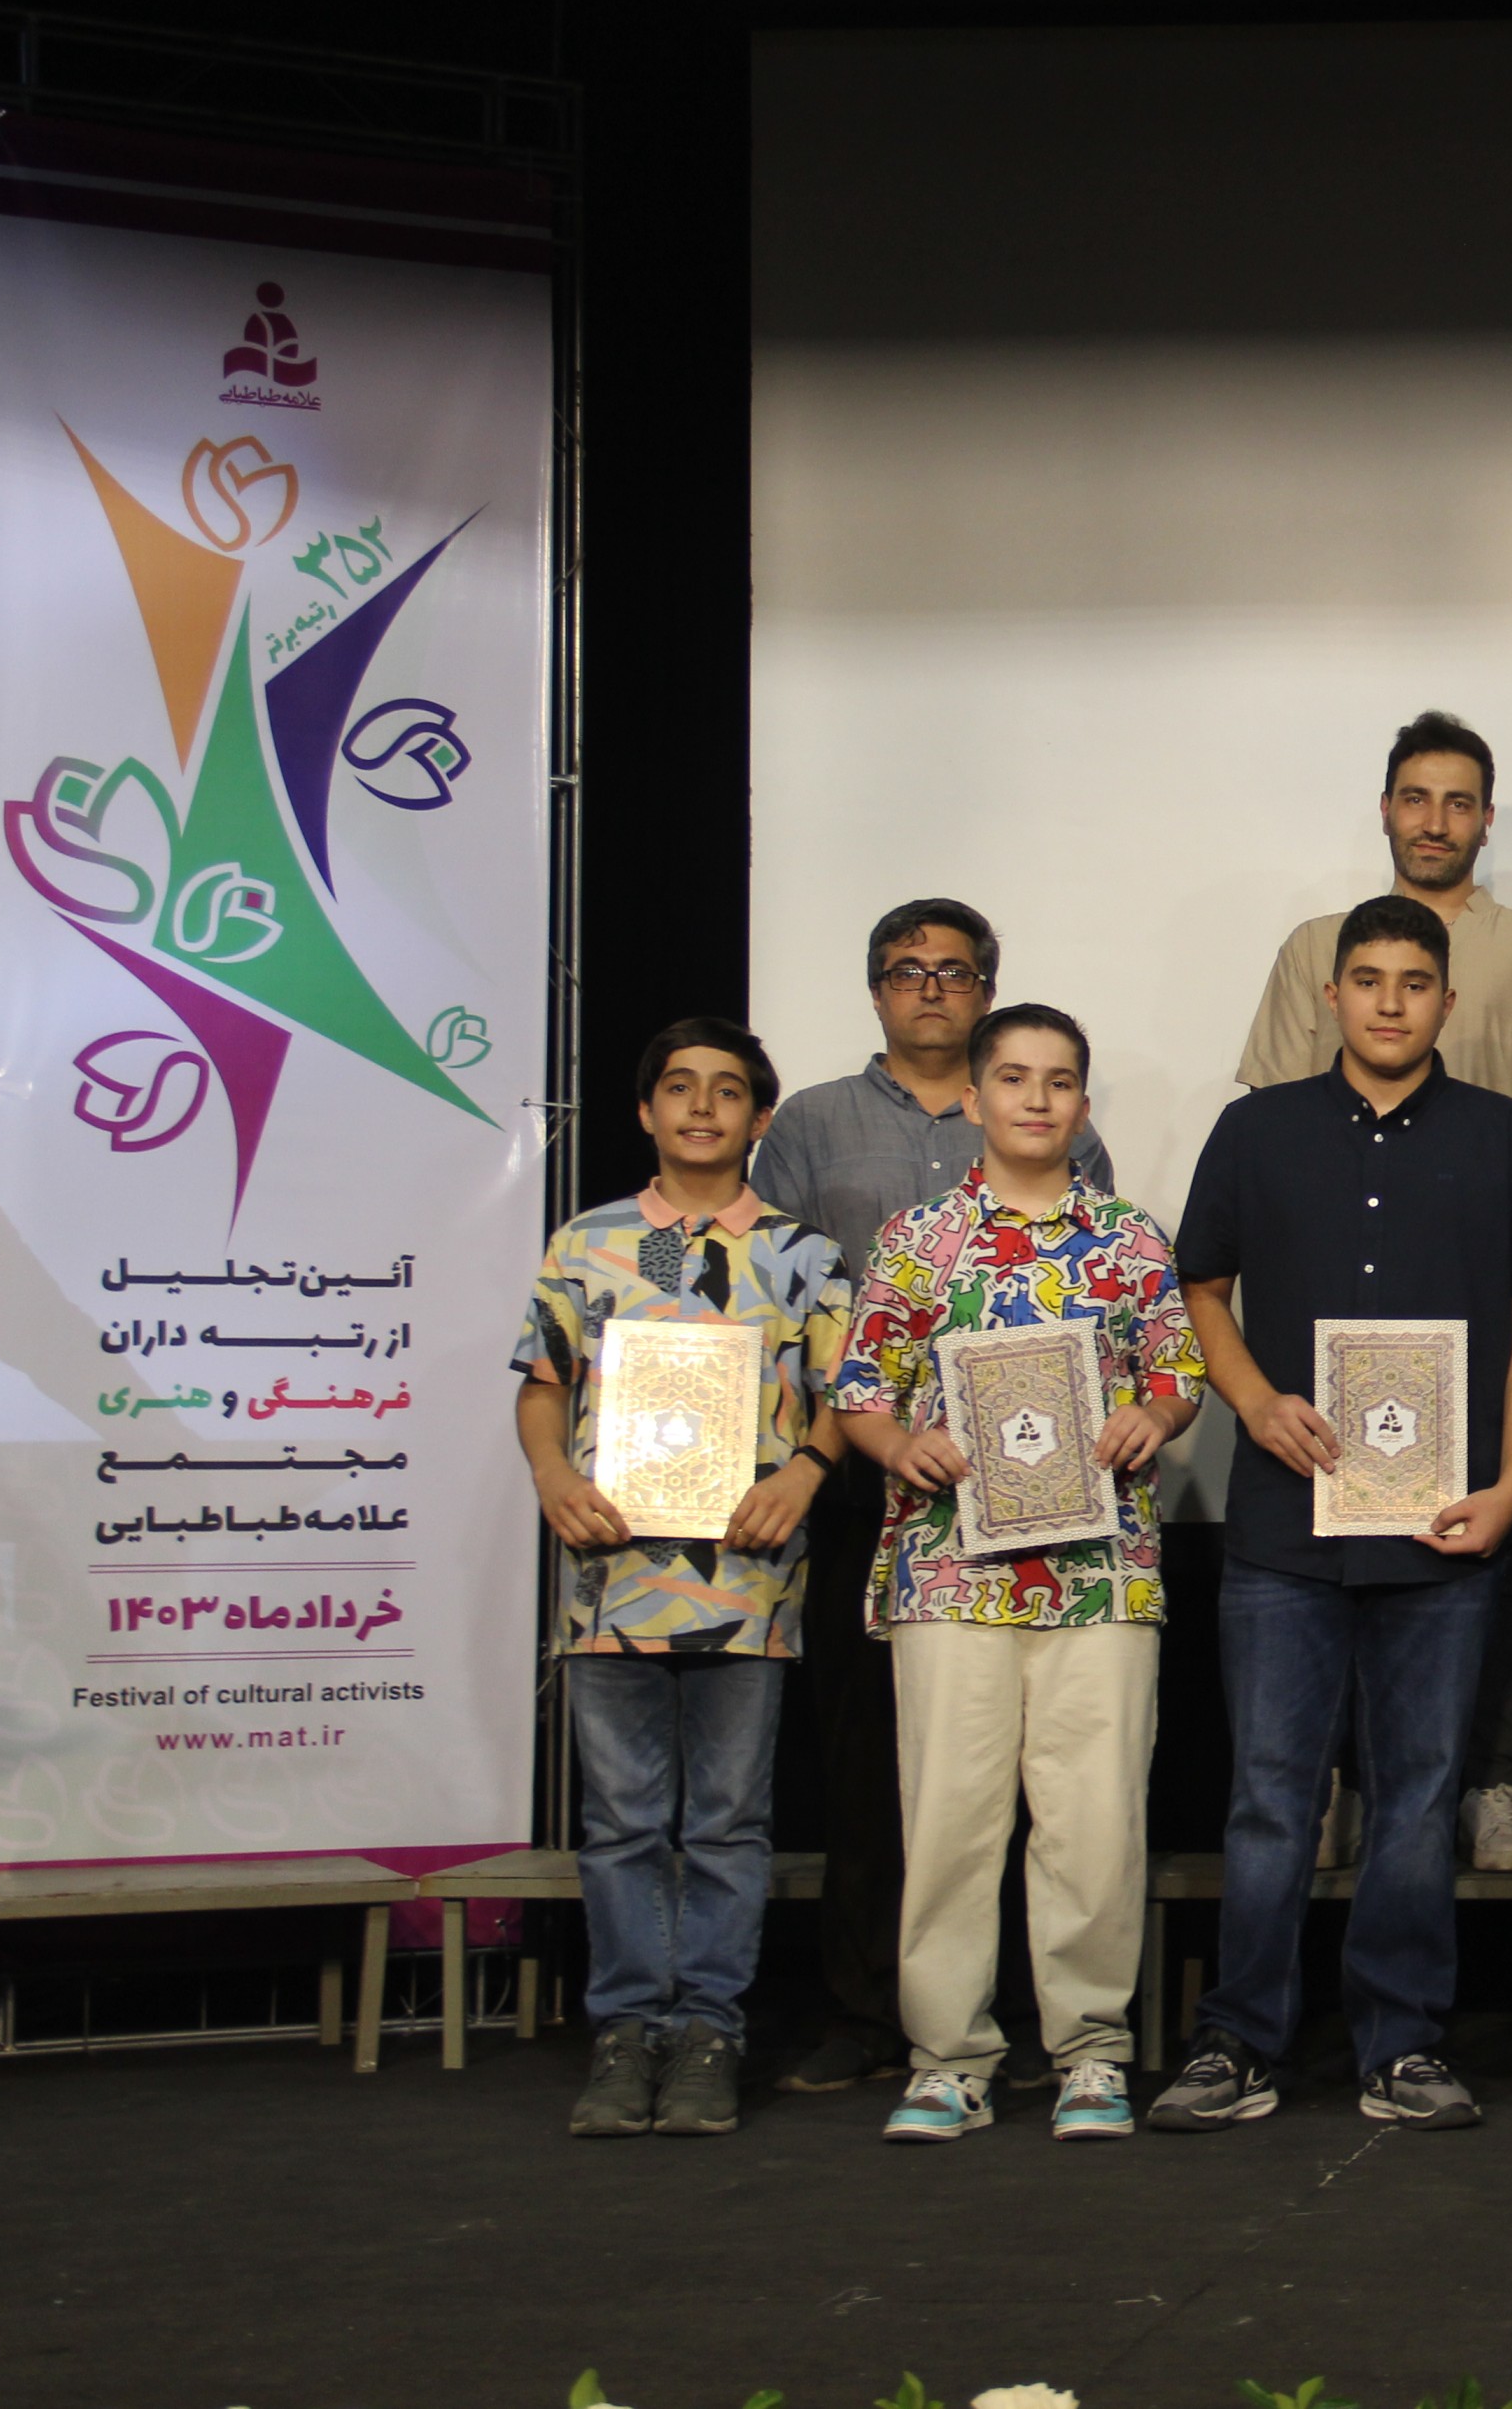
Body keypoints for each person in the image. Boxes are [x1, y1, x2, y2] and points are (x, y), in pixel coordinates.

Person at [1160, 894, 1512, 2133]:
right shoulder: (1256, 1129)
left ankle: (1400, 2044)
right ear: (1332, 994)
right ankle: (1238, 2040)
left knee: (1415, 1795)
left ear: (1448, 1001)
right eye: (1367, 979)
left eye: (1413, 982)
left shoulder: (1508, 1139)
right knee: (1270, 1794)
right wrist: (1252, 1400)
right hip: (1282, 1525)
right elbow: (1200, 1285)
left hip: (1443, 1526)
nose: (1389, 1002)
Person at [750, 897, 1117, 2098]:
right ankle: (889, 2019)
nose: (930, 987)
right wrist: (864, 1439)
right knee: (892, 1772)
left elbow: (1114, 1335)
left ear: (984, 991)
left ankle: (1043, 2028)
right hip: (889, 1489)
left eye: (954, 972)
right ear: (876, 989)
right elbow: (794, 1305)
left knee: (1055, 1790)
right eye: (907, 970)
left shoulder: (1081, 1167)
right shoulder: (819, 1131)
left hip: (1056, 1502)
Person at [832, 1004, 1206, 2142]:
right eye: (1013, 1077)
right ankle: (948, 2056)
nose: (1036, 1098)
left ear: (1082, 1104)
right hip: (951, 1570)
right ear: (974, 1098)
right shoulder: (918, 1239)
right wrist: (900, 1445)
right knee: (951, 1819)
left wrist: (1154, 1416)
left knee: (1093, 1820)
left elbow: (1178, 1373)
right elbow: (860, 1390)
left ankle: (1090, 2052)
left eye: (1058, 1081)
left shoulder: (1129, 1238)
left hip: (1099, 1571)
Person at [1235, 710, 1512, 1877]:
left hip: (1475, 1296)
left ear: (1485, 819)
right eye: (1415, 797)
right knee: (1328, 1545)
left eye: (1459, 801)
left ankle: (1489, 1777)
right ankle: (1338, 1777)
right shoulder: (1314, 942)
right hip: (1331, 1310)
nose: (1435, 820)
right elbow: (1280, 1123)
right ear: (1386, 808)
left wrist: (1445, 1185)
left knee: (1488, 1544)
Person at [513, 1019, 849, 2140]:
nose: (702, 1107)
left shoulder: (805, 1254)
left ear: (761, 1118)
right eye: (678, 1087)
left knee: (726, 1821)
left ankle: (707, 2027)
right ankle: (626, 2029)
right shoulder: (587, 1242)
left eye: (727, 1091)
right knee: (619, 1822)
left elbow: (844, 1400)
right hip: (611, 1578)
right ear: (645, 1111)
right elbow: (542, 1382)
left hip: (746, 1583)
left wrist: (804, 1471)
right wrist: (553, 1473)